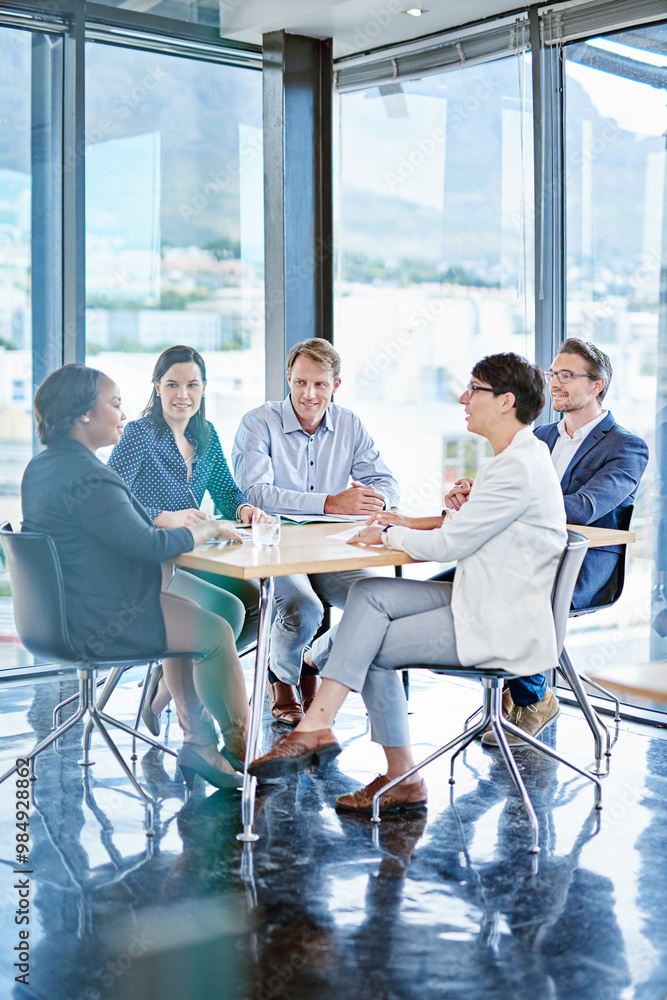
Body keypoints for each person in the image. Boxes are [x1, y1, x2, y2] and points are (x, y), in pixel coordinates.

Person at [247, 353, 568, 815]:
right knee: (369, 594)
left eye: (474, 389)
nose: (463, 399)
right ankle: (319, 727)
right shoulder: (516, 459)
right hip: (483, 597)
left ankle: (397, 773)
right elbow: (472, 528)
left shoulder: (516, 467)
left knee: (371, 643)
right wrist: (418, 519)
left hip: (497, 620)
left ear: (506, 402)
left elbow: (448, 545)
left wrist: (386, 534)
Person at [22, 363, 251, 790]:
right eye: (114, 404)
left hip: (61, 612)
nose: (123, 414)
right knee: (217, 634)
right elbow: (150, 546)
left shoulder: (42, 467)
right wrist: (209, 528)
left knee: (194, 617)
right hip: (97, 618)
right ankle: (244, 750)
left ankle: (199, 745)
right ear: (83, 414)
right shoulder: (91, 476)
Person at [435, 339, 649, 747]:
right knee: (443, 589)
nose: (555, 383)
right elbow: (514, 490)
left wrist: (505, 499)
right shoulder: (540, 435)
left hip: (580, 566)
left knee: (503, 592)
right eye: (553, 374)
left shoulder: (627, 446)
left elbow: (585, 507)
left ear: (598, 385)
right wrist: (479, 491)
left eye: (567, 375)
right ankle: (512, 685)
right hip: (519, 558)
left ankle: (533, 697)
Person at [232, 337, 400, 725]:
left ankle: (310, 661)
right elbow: (255, 492)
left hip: (329, 550)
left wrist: (375, 500)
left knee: (376, 603)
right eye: (300, 382)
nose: (309, 394)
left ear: (335, 385)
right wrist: (331, 503)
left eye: (320, 384)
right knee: (304, 607)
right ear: (288, 379)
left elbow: (387, 483)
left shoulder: (349, 424)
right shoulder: (258, 422)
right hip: (274, 547)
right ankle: (282, 678)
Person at [108, 345, 268, 735]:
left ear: (204, 388)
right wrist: (164, 516)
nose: (183, 394)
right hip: (149, 564)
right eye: (172, 384)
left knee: (257, 604)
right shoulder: (139, 434)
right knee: (228, 612)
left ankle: (167, 683)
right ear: (157, 387)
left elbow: (227, 493)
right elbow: (108, 497)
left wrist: (246, 510)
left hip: (191, 557)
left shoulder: (207, 436)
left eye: (192, 385)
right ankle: (199, 731)